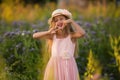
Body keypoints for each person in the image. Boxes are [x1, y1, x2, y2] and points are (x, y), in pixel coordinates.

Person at [33, 9, 85, 80]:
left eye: (61, 19)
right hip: (55, 66)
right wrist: (48, 32)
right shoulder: (52, 36)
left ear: (66, 20)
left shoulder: (71, 36)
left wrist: (72, 21)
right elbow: (35, 36)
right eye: (56, 20)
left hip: (68, 66)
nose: (59, 21)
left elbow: (82, 33)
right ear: (54, 23)